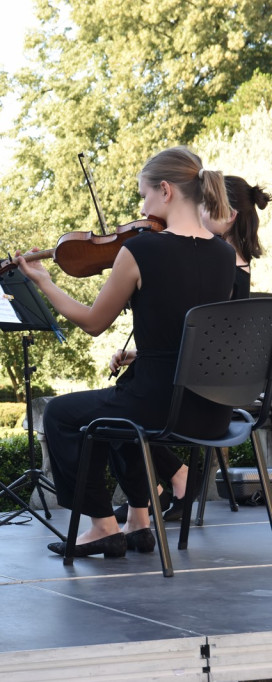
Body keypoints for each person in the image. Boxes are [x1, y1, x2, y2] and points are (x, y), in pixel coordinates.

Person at [18, 146, 236, 558]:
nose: (142, 207)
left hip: (158, 406)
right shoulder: (225, 255)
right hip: (211, 409)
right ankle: (138, 522)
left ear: (166, 191)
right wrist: (143, 356)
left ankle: (102, 526)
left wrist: (44, 281)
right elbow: (192, 336)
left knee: (64, 415)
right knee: (119, 403)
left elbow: (94, 322)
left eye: (144, 195)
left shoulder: (141, 251)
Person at [111, 174, 270, 524]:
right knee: (135, 390)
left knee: (129, 402)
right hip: (218, 380)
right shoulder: (231, 264)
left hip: (207, 388)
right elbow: (209, 342)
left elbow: (211, 346)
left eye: (204, 206)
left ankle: (158, 492)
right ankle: (159, 492)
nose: (195, 214)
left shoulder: (224, 268)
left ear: (227, 216)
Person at [201, 175, 269, 300]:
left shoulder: (221, 262)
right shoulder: (239, 260)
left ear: (230, 214)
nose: (200, 211)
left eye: (207, 205)